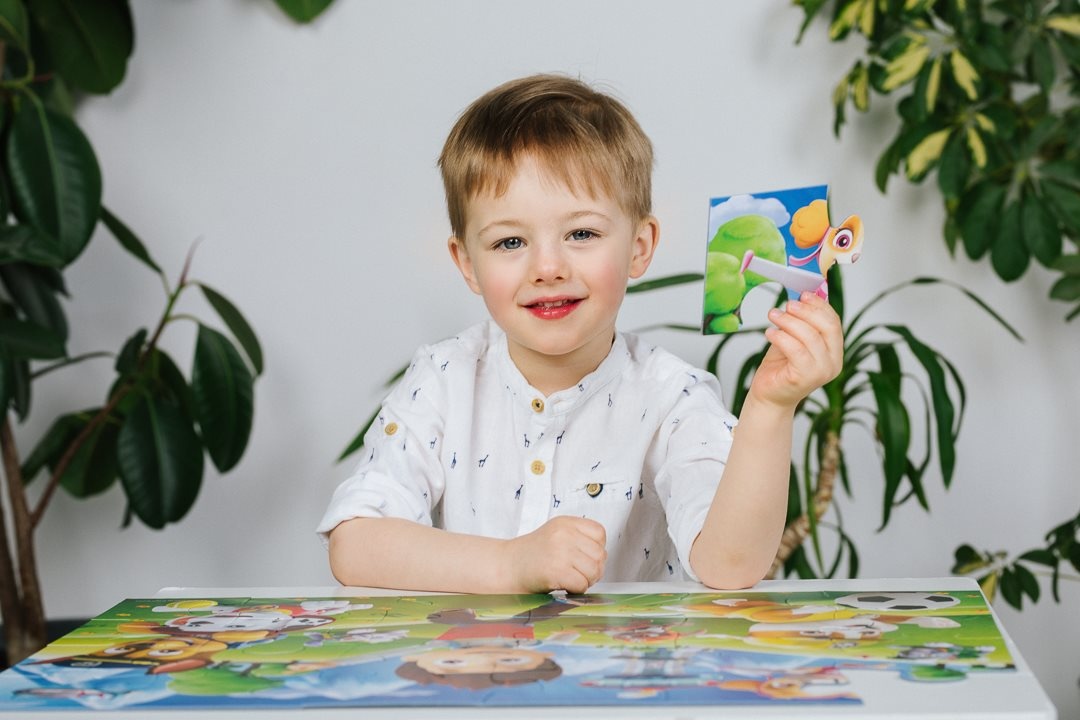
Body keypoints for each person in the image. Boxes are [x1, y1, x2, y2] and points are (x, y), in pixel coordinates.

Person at [318, 74, 842, 594]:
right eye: (509, 242)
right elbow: (355, 543)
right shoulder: (442, 379)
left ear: (639, 247)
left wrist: (770, 407)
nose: (547, 268)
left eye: (582, 233)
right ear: (468, 263)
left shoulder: (672, 397)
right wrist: (511, 565)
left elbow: (729, 566)